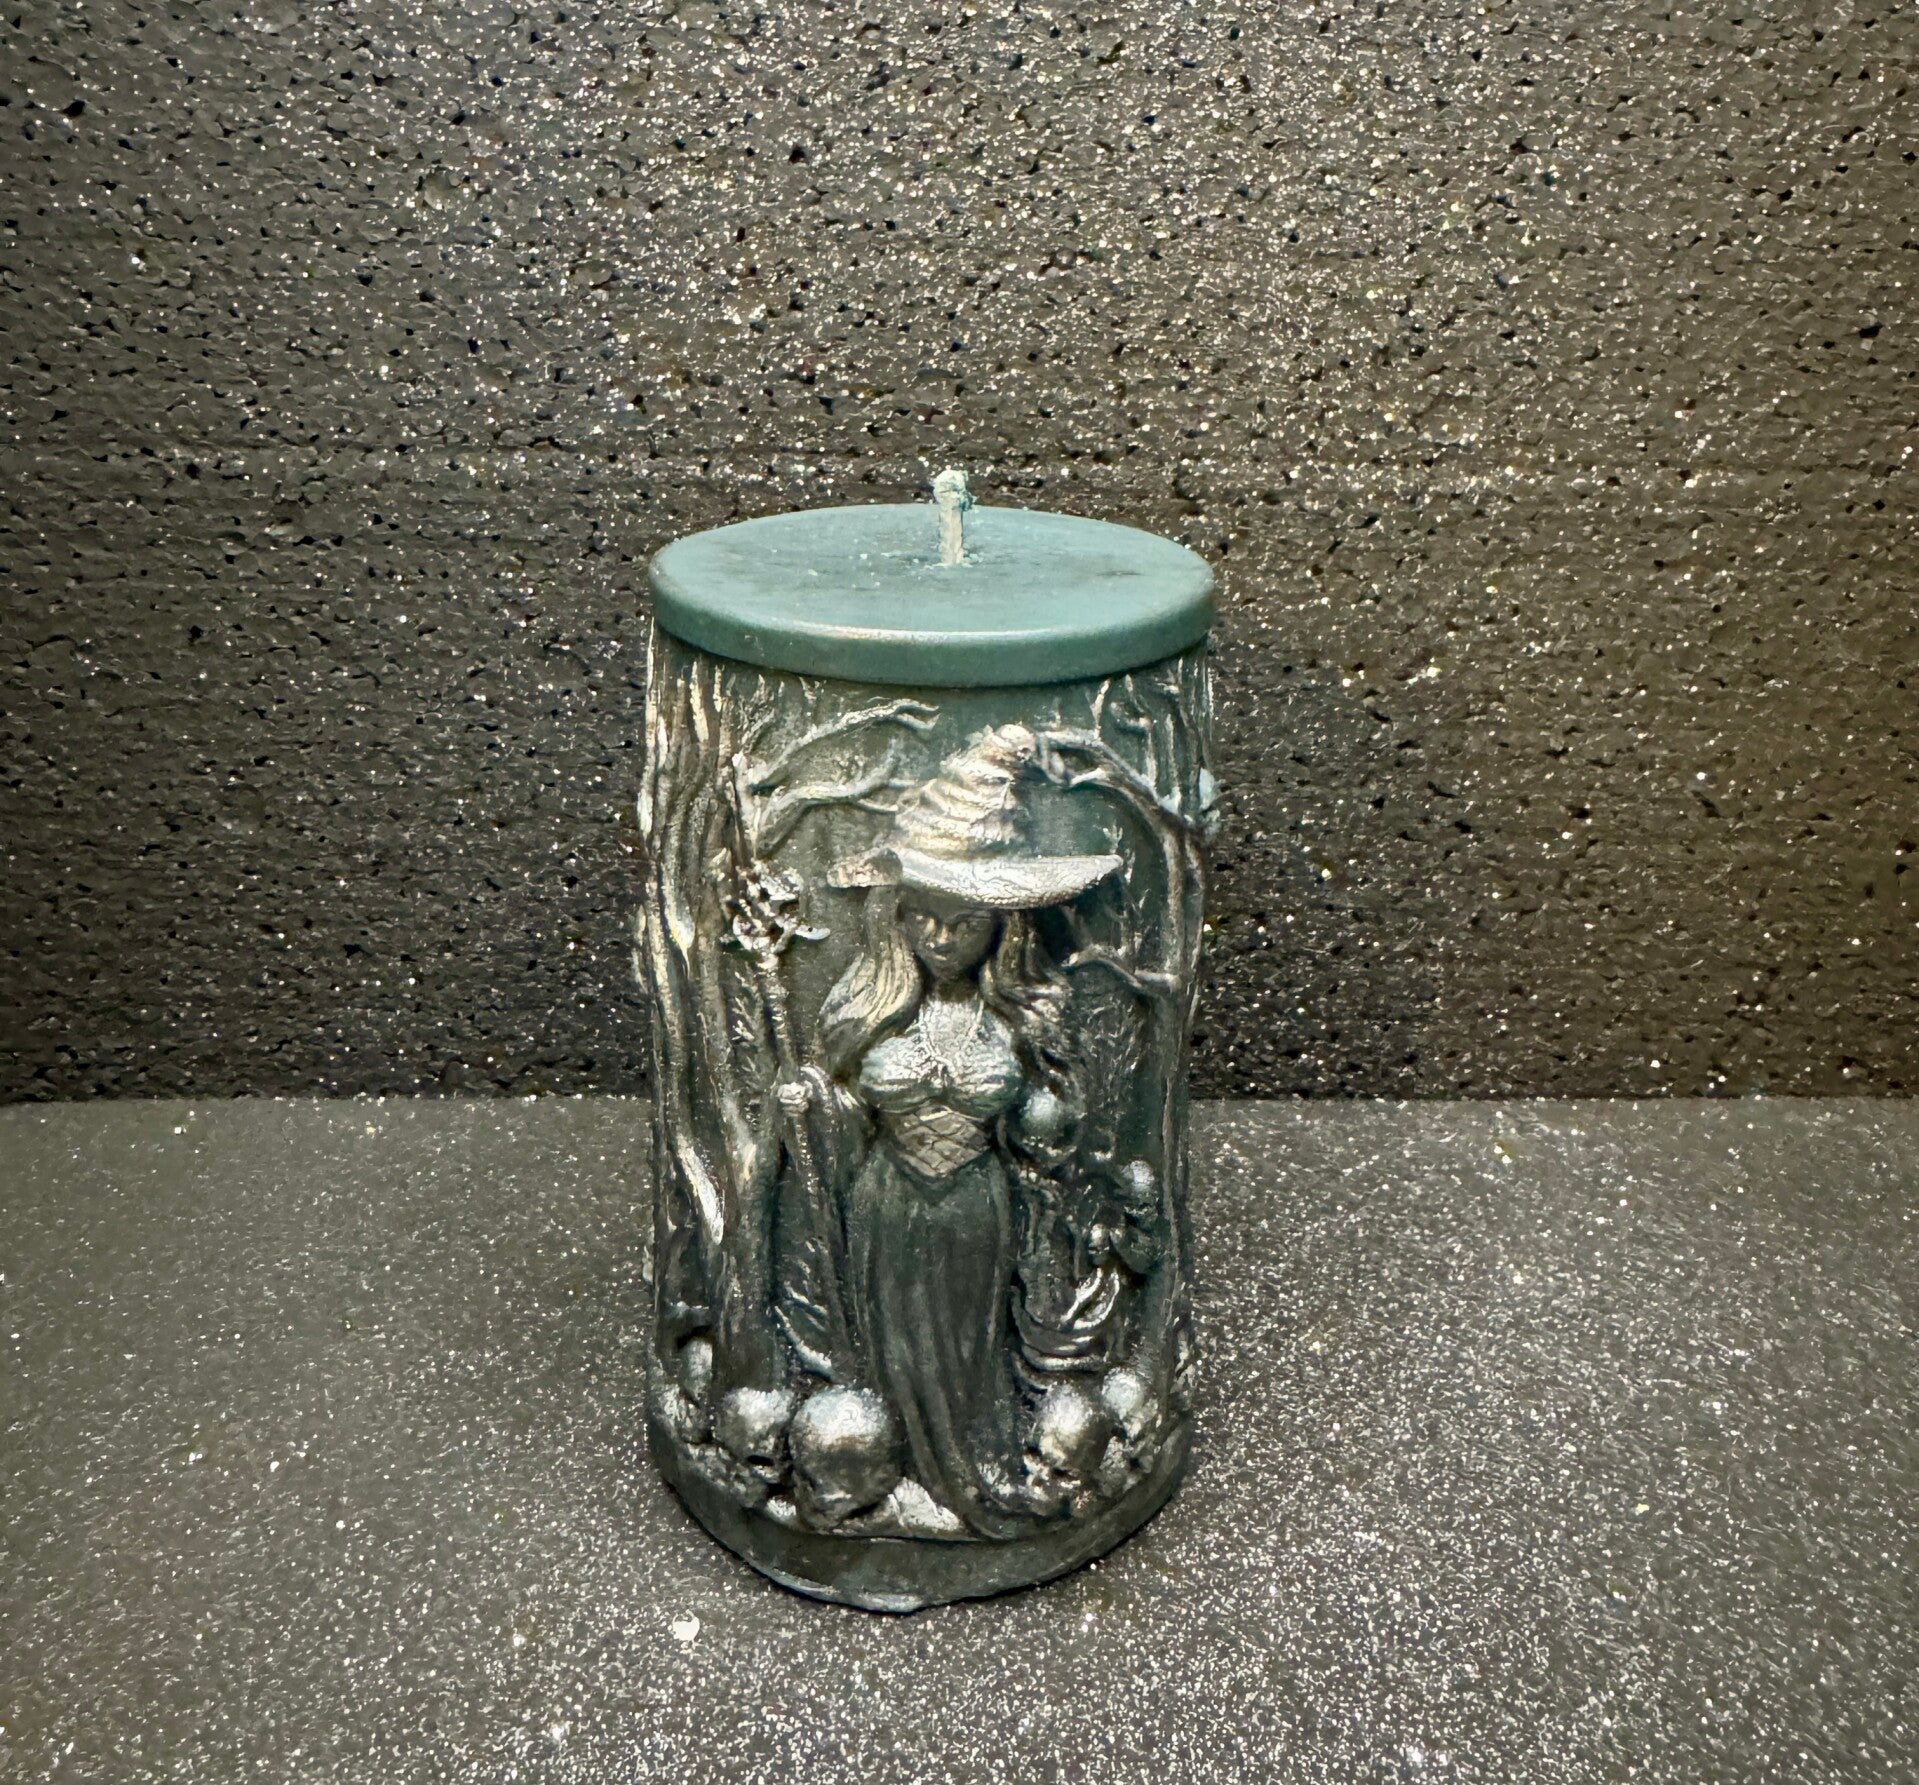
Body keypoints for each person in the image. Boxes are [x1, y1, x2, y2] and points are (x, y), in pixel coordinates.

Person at [776, 725, 1118, 1538]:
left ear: (1001, 927)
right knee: (890, 1347)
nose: (940, 938)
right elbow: (843, 1111)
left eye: (964, 922)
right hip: (886, 1203)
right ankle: (887, 1470)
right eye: (923, 917)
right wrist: (812, 1105)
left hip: (976, 1207)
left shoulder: (1019, 1019)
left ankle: (973, 1470)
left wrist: (1045, 1124)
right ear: (895, 915)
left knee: (968, 1347)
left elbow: (1054, 1129)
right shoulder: (867, 1008)